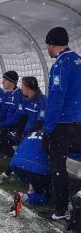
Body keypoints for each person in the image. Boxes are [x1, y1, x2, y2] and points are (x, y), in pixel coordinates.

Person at [38, 27, 81, 220]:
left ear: (52, 44)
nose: (47, 48)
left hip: (63, 123)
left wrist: (48, 128)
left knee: (57, 165)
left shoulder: (61, 65)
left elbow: (56, 99)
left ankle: (61, 210)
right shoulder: (78, 61)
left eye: (48, 44)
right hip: (77, 121)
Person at [0, 76, 47, 185]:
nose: (21, 88)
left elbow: (40, 123)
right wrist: (20, 132)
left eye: (22, 85)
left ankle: (6, 174)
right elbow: (23, 116)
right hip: (25, 131)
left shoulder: (43, 101)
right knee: (0, 143)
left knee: (21, 148)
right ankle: (19, 161)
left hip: (37, 133)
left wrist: (26, 135)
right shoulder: (26, 99)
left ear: (28, 88)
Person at [9, 132, 51, 217]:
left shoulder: (28, 135)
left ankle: (31, 186)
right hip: (37, 169)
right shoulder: (51, 136)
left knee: (30, 175)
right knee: (45, 196)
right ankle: (23, 197)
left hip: (17, 165)